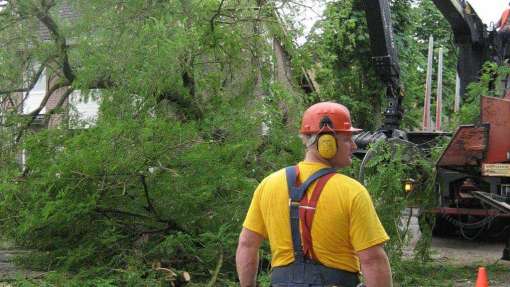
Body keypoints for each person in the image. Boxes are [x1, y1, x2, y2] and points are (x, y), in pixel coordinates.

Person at [236, 102, 392, 287]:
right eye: (347, 138)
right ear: (326, 142)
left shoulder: (268, 184)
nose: (353, 145)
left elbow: (247, 245)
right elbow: (373, 260)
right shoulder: (352, 192)